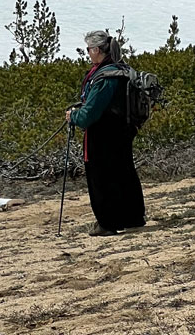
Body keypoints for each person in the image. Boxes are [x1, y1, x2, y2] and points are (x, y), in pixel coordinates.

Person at [64, 29, 145, 236]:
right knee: (124, 172)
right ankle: (134, 218)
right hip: (124, 131)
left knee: (101, 177)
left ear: (97, 50)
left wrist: (73, 116)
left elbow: (89, 115)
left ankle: (107, 223)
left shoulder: (104, 77)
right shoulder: (122, 70)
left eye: (89, 49)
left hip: (103, 134)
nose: (88, 53)